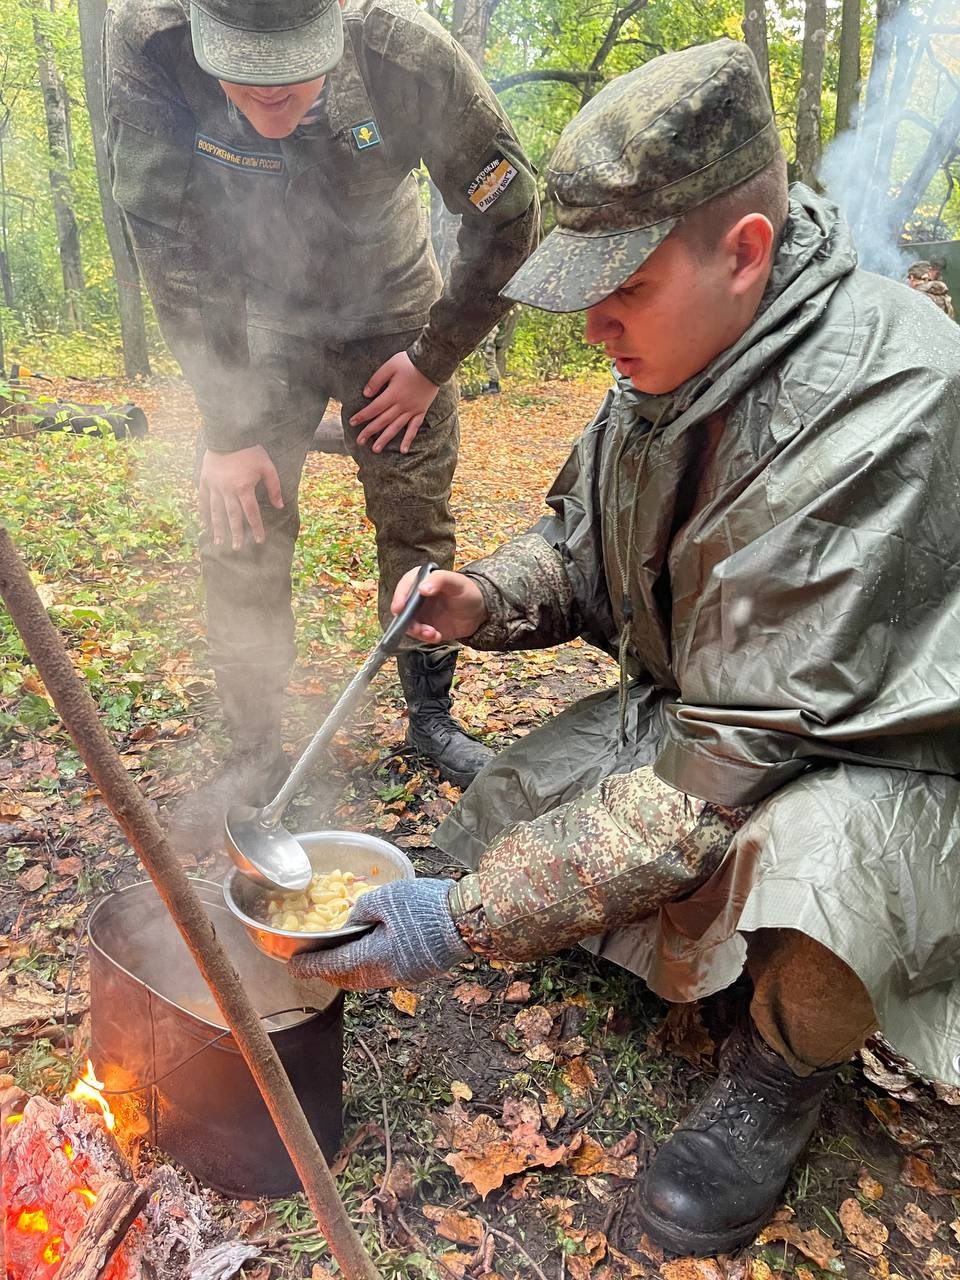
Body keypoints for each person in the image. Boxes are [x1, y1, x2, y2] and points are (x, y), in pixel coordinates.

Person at [288, 39, 960, 1258]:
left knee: (833, 873)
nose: (594, 324)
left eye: (624, 287)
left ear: (745, 251)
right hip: (712, 714)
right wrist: (481, 598)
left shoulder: (885, 399)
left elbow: (727, 763)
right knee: (501, 811)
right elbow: (584, 547)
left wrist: (463, 924)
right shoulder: (671, 357)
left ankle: (782, 1069)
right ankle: (683, 940)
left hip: (884, 772)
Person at [103, 0, 539, 842]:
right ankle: (257, 745)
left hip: (397, 319)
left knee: (414, 522)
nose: (269, 103)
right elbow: (164, 240)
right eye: (243, 71)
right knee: (241, 527)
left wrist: (432, 359)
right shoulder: (151, 42)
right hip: (258, 325)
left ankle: (429, 718)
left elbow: (510, 215)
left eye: (292, 73)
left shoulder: (406, 54)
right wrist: (227, 432)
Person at [479, 304, 521, 393]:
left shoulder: (501, 310)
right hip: (493, 333)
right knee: (490, 360)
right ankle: (494, 384)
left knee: (490, 359)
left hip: (492, 333)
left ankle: (494, 385)